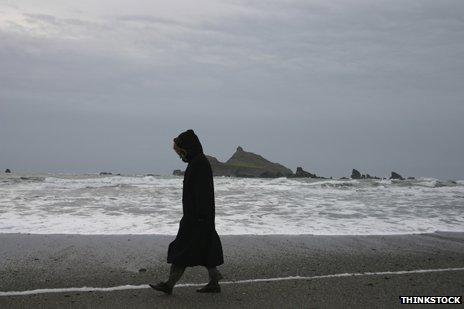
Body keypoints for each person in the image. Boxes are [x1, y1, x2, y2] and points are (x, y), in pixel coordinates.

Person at [149, 129, 224, 295]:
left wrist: (200, 217)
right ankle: (214, 280)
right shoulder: (197, 162)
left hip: (196, 217)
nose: (180, 156)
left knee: (181, 250)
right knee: (204, 248)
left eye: (180, 152)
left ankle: (169, 284)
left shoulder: (199, 164)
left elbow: (203, 193)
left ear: (187, 149)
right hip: (198, 216)